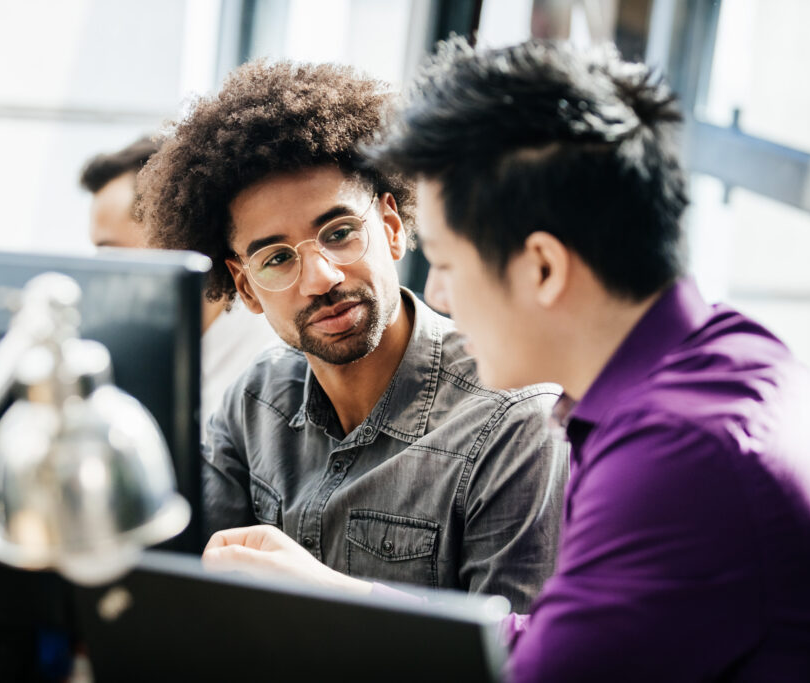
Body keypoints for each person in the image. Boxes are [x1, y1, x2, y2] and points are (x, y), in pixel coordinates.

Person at [208, 39, 810, 680]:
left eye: (448, 264)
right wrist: (341, 597)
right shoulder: (724, 362)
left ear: (542, 267)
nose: (437, 294)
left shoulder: (678, 456)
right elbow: (544, 638)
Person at [135, 60, 568, 611]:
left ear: (390, 228)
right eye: (276, 259)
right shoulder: (256, 400)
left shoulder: (515, 420)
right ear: (244, 286)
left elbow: (523, 661)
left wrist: (336, 597)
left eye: (340, 233)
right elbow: (188, 594)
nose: (322, 278)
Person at [82, 135, 279, 434]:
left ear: (173, 232)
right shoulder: (157, 352)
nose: (99, 273)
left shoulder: (269, 363)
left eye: (110, 252)